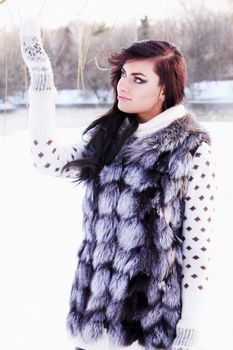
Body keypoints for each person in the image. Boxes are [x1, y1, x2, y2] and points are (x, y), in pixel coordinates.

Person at [20, 18, 216, 350]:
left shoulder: (192, 150)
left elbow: (198, 248)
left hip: (149, 324)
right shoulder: (110, 136)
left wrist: (190, 325)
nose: (123, 85)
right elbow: (46, 158)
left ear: (165, 88)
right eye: (123, 75)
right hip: (94, 316)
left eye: (138, 79)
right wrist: (41, 75)